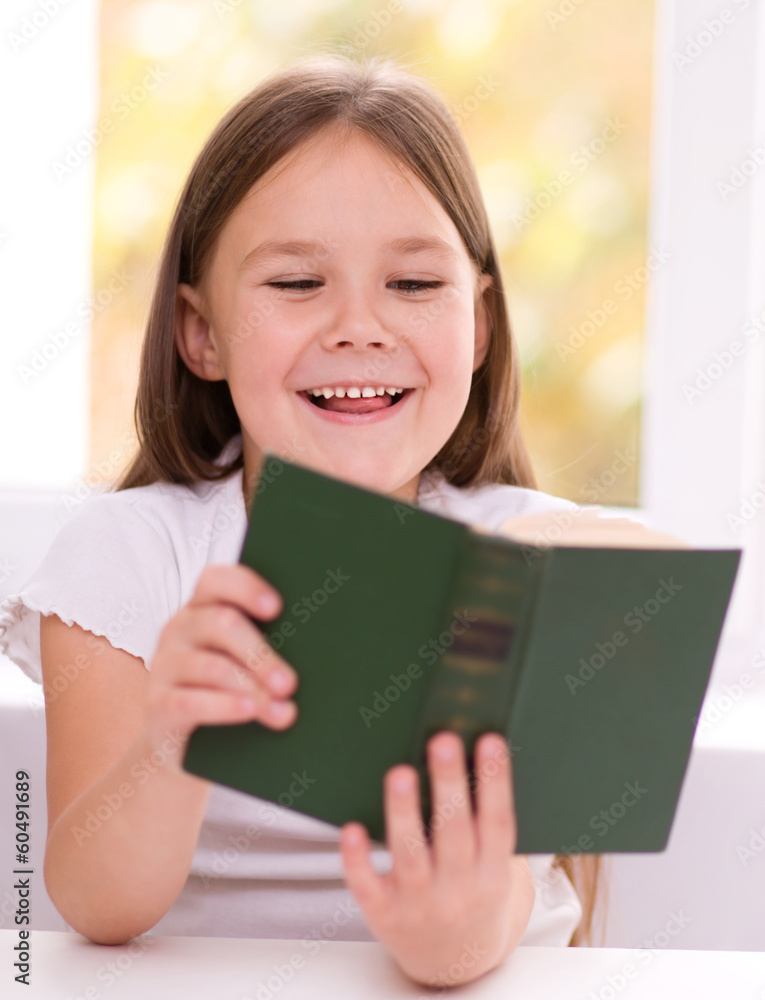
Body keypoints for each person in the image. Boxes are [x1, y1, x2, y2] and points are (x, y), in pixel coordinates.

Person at [0, 52, 604, 988]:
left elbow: (503, 919)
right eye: (294, 284)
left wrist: (448, 933)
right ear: (201, 333)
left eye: (413, 285)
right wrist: (171, 741)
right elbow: (93, 905)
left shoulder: (543, 558)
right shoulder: (127, 560)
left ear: (479, 326)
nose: (359, 326)